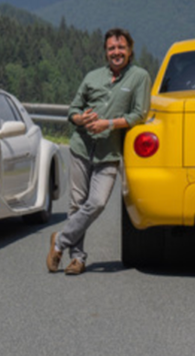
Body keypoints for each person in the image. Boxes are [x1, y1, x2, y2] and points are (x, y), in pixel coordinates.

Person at [46, 28, 151, 275]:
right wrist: (81, 118)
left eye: (121, 48)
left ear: (130, 50)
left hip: (110, 153)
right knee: (76, 204)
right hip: (81, 147)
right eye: (111, 48)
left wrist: (109, 124)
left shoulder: (139, 77)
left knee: (97, 202)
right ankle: (77, 259)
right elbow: (72, 109)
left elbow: (140, 114)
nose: (116, 52)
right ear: (106, 51)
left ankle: (59, 240)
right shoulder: (92, 77)